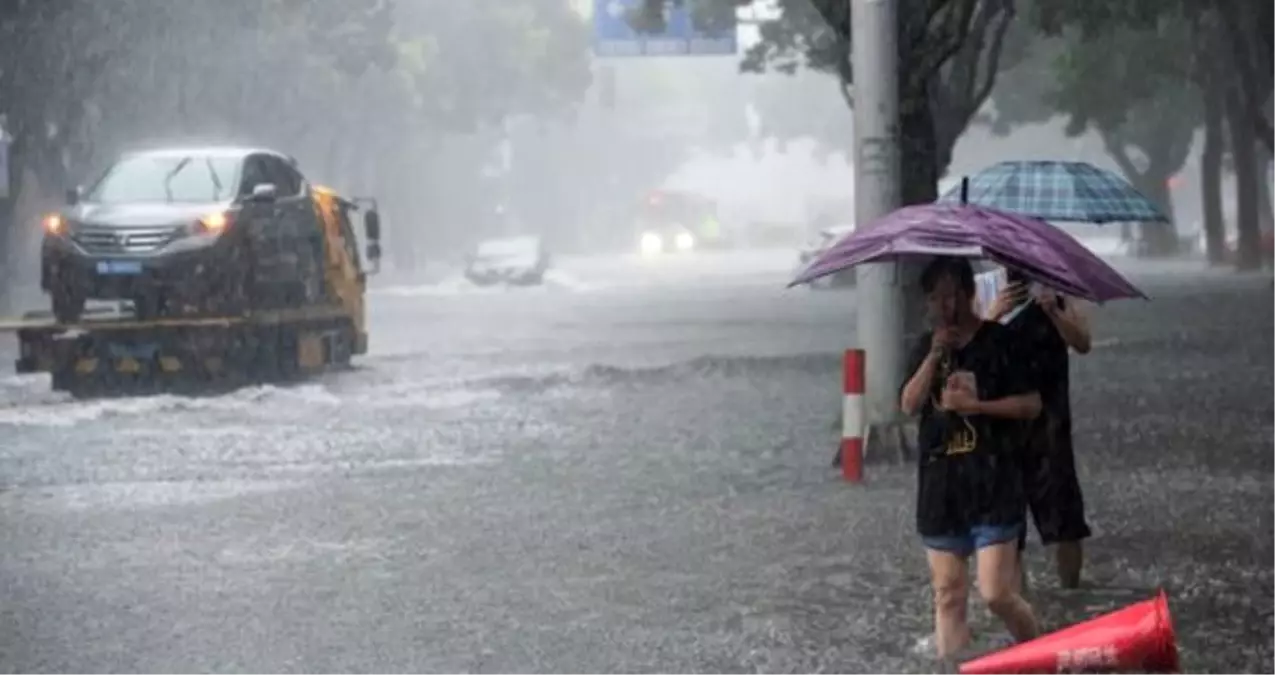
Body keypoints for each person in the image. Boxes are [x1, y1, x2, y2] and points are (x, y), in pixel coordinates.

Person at [900, 257, 1042, 661]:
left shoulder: (1002, 342)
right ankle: (955, 667)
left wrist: (978, 406)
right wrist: (932, 357)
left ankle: (1040, 657)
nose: (944, 307)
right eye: (934, 298)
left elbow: (1031, 404)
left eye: (951, 296)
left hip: (994, 482)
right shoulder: (925, 346)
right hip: (942, 488)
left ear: (970, 294)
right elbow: (908, 404)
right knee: (948, 594)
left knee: (996, 593)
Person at [986, 270, 1093, 590]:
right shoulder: (985, 287)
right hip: (1002, 423)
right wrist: (994, 315)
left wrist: (1054, 312)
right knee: (1007, 523)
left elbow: (1083, 343)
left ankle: (1070, 592)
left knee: (1065, 517)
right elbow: (971, 350)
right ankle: (1020, 600)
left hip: (1051, 423)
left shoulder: (1059, 288)